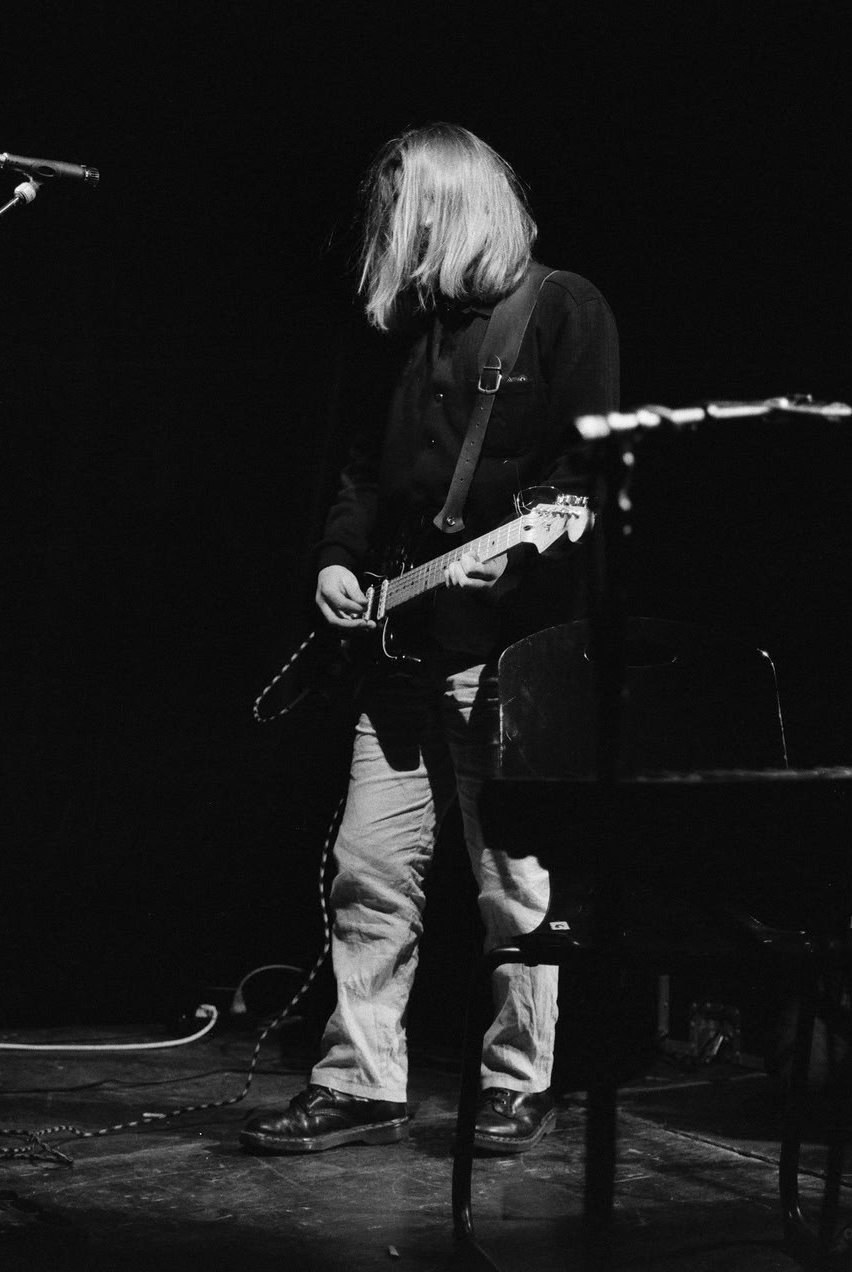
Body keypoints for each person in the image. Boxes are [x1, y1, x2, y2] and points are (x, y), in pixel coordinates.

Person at [241, 122, 619, 1157]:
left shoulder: (562, 308)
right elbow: (366, 469)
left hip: (504, 655)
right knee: (368, 871)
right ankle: (361, 1081)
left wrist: (523, 556)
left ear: (451, 208)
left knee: (512, 885)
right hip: (399, 649)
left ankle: (517, 1082)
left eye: (405, 214)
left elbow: (584, 482)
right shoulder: (411, 330)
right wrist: (336, 555)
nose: (391, 234)